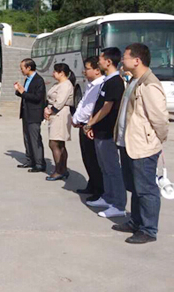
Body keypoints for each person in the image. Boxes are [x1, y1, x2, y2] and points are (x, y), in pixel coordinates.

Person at [113, 43, 169, 244]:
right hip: (128, 144)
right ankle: (136, 222)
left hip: (142, 147)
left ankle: (148, 229)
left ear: (137, 60)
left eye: (125, 57)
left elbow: (160, 120)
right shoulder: (135, 81)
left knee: (146, 189)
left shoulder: (149, 85)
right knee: (135, 187)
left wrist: (154, 140)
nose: (122, 60)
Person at [83, 48, 127, 218]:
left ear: (108, 62)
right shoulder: (107, 81)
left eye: (101, 58)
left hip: (108, 132)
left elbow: (107, 107)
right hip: (100, 131)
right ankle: (108, 197)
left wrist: (90, 123)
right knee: (104, 167)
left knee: (112, 169)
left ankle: (118, 204)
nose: (99, 61)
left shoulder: (115, 81)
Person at [72, 57, 105, 201]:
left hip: (90, 126)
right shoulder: (91, 84)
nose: (84, 71)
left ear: (97, 70)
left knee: (94, 160)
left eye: (87, 68)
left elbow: (91, 107)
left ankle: (99, 190)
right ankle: (92, 184)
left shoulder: (100, 85)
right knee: (87, 157)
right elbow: (82, 104)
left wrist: (84, 122)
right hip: (83, 125)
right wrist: (75, 119)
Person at [14, 58, 46, 172]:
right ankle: (30, 160)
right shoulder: (27, 79)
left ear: (28, 67)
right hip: (26, 113)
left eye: (22, 67)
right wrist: (19, 91)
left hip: (34, 113)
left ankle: (39, 163)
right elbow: (25, 94)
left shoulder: (38, 80)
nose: (21, 70)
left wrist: (23, 92)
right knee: (27, 138)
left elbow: (37, 98)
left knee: (35, 138)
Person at [44, 63, 75, 181]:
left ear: (61, 73)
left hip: (60, 114)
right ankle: (62, 168)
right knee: (59, 143)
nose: (53, 74)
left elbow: (59, 102)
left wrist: (50, 111)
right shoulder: (58, 84)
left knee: (55, 142)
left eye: (55, 72)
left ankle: (59, 170)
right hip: (54, 114)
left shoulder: (66, 85)